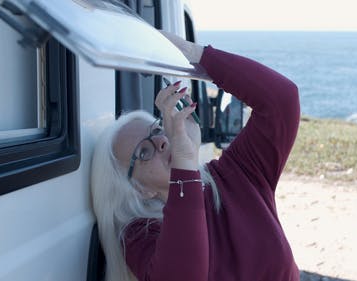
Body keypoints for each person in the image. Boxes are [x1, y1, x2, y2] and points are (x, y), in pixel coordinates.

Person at [90, 32, 301, 281]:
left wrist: (193, 55)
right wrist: (184, 161)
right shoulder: (139, 236)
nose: (160, 141)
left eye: (158, 130)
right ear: (139, 189)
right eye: (143, 152)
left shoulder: (237, 174)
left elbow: (281, 100)